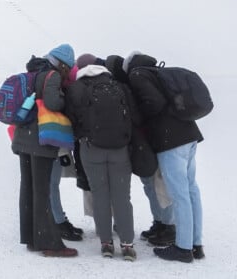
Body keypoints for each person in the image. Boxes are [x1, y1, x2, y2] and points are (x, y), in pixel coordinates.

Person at [125, 51, 205, 263]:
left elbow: (154, 103)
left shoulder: (137, 75)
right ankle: (196, 244)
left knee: (179, 194)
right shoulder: (159, 74)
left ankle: (183, 248)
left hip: (171, 141)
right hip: (189, 134)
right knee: (190, 189)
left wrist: (139, 115)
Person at [65, 53, 139, 261]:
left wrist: (83, 135)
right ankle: (127, 244)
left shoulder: (76, 88)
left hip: (91, 148)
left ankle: (106, 243)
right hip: (120, 148)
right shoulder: (118, 86)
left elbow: (71, 118)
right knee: (122, 197)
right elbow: (134, 115)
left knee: (100, 195)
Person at [10, 43, 78, 257]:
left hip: (23, 137)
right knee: (42, 190)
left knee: (28, 188)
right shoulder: (51, 75)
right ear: (61, 64)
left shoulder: (32, 71)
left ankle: (31, 238)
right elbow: (53, 102)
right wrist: (64, 98)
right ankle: (49, 243)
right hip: (40, 139)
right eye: (67, 67)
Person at [105, 54, 175, 247]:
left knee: (157, 184)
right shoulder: (137, 82)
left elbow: (139, 114)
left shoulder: (131, 85)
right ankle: (161, 223)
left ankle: (168, 226)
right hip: (148, 140)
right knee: (152, 184)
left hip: (148, 140)